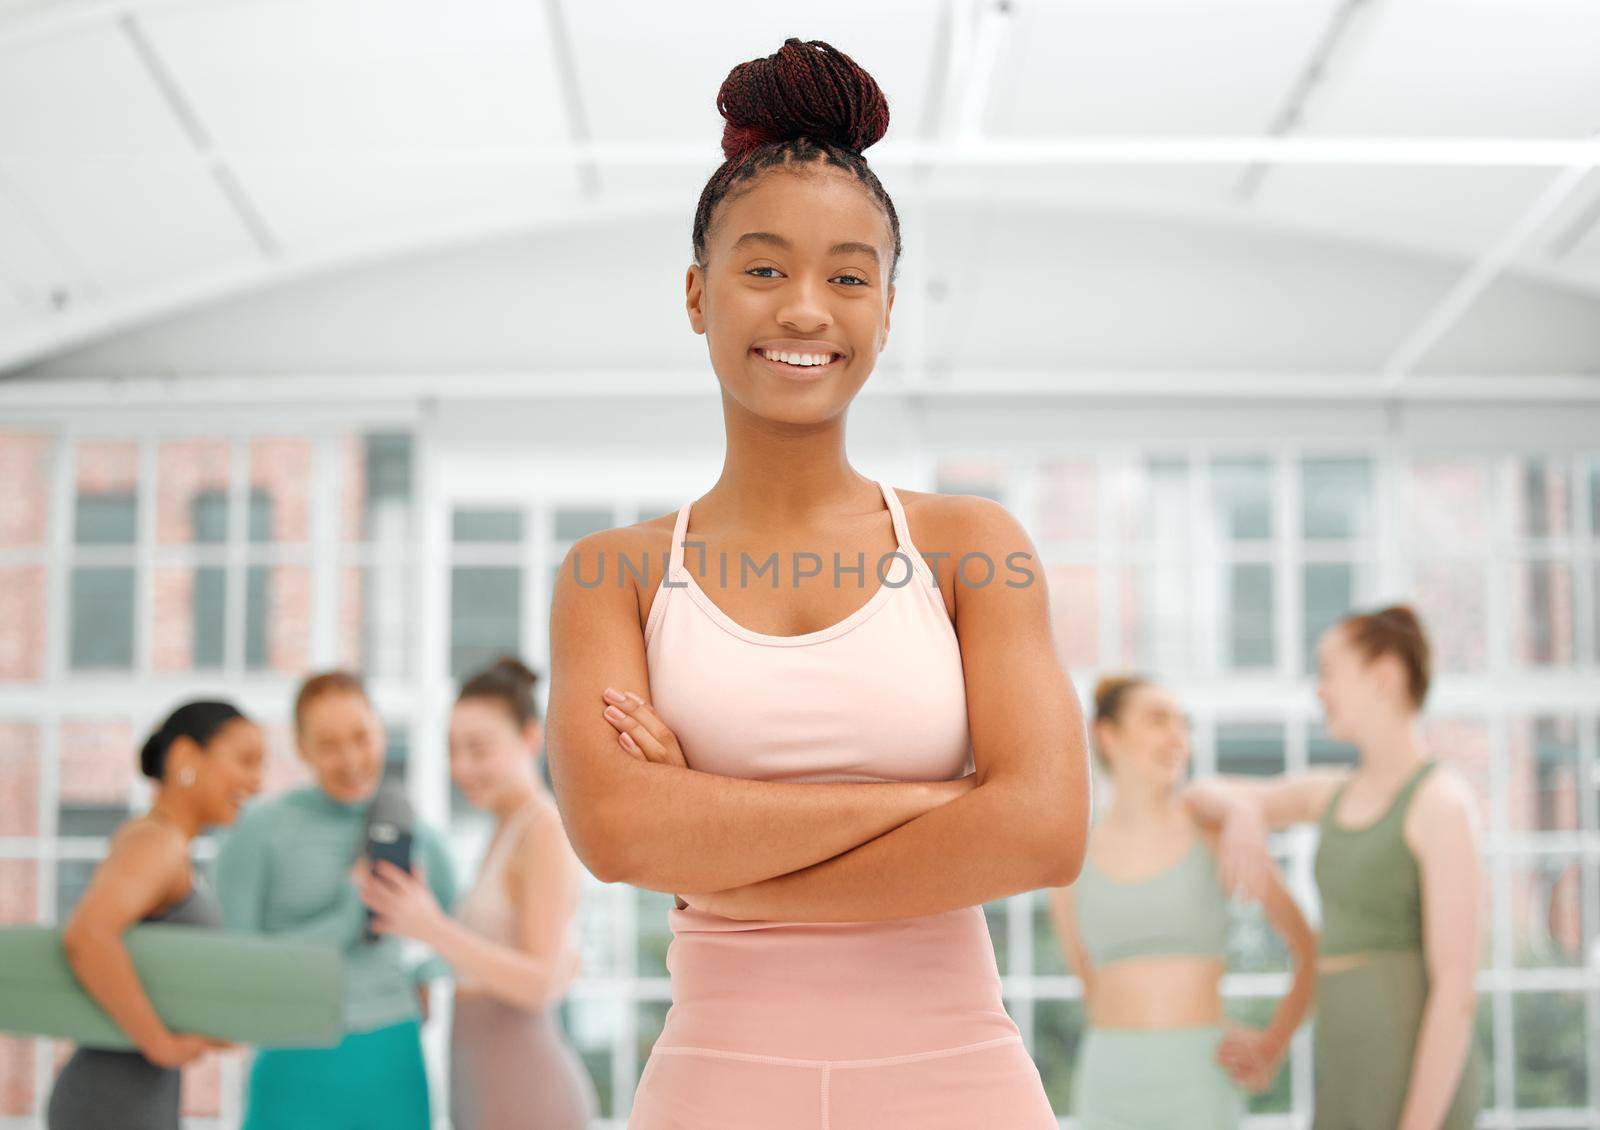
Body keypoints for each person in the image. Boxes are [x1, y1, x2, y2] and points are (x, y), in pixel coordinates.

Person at [545, 37, 1091, 1130]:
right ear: (699, 295)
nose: (805, 308)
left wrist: (710, 842)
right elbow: (615, 836)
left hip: (960, 1082)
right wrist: (943, 807)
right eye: (763, 268)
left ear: (886, 308)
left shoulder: (969, 546)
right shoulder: (614, 573)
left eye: (848, 274)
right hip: (716, 1083)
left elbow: (1042, 829)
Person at [1185, 606, 1484, 1130]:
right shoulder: (1332, 793)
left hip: (1411, 1070)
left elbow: (1455, 993)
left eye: (1328, 672)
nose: (1319, 690)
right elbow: (1197, 794)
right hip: (1344, 1058)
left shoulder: (1442, 804)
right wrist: (1243, 811)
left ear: (1384, 676)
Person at [1049, 675, 1315, 1129]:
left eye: (1183, 725)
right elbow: (1087, 979)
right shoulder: (1071, 858)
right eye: (1157, 720)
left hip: (1200, 1080)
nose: (1178, 738)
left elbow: (1308, 947)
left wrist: (1272, 1044)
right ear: (1107, 735)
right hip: (1106, 1083)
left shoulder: (1214, 834)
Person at [356, 657, 596, 1130]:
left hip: (527, 1093)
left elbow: (542, 983)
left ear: (532, 738)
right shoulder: (502, 827)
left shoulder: (542, 827)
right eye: (452, 749)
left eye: (478, 749)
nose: (460, 766)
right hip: (486, 1088)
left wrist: (431, 928)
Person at [216, 670, 457, 1130]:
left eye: (361, 737)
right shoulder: (259, 831)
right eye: (328, 745)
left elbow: (463, 928)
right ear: (302, 749)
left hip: (392, 1055)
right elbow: (236, 965)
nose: (350, 760)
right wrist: (352, 907)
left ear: (382, 734)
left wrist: (426, 972)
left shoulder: (414, 832)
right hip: (293, 1059)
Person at [47, 701, 265, 1130]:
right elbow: (89, 937)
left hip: (133, 1094)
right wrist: (161, 1045)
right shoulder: (157, 842)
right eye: (245, 761)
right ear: (185, 757)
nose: (256, 783)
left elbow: (153, 974)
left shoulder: (169, 845)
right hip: (112, 1098)